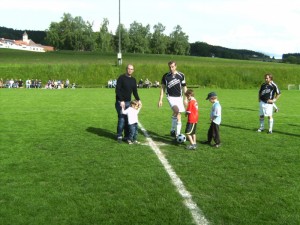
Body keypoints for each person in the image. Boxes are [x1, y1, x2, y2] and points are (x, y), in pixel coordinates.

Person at [158, 61, 187, 139]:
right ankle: (178, 135)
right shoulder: (166, 76)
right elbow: (162, 88)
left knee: (177, 113)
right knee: (177, 111)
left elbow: (184, 87)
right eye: (170, 67)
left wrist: (186, 98)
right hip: (170, 97)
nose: (171, 68)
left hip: (179, 97)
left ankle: (173, 130)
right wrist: (160, 99)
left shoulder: (181, 75)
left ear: (176, 66)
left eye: (172, 67)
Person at [115, 64, 141, 143]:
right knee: (122, 119)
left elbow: (135, 92)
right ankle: (119, 136)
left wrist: (138, 100)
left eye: (131, 69)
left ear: (133, 70)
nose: (130, 70)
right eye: (128, 69)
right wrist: (121, 100)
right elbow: (117, 90)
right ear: (126, 69)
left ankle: (126, 136)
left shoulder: (133, 80)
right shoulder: (121, 78)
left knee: (127, 120)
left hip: (129, 103)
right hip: (120, 102)